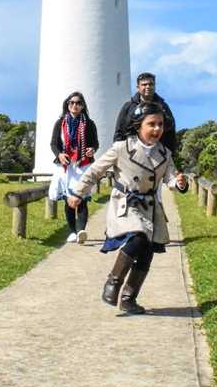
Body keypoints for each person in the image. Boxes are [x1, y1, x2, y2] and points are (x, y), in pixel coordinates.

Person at [69, 102, 188, 314]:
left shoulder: (165, 153)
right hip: (125, 203)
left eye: (160, 124)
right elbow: (95, 171)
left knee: (147, 252)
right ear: (138, 125)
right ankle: (113, 282)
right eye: (151, 124)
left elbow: (170, 177)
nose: (157, 129)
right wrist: (78, 192)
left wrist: (179, 183)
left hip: (150, 206)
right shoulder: (121, 148)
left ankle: (129, 298)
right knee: (138, 237)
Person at [48, 91, 99, 244]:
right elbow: (53, 144)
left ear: (83, 105)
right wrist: (59, 155)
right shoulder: (60, 123)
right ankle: (72, 231)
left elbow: (95, 143)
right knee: (68, 199)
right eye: (72, 103)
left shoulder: (89, 123)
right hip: (66, 165)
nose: (75, 105)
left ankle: (81, 230)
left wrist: (92, 149)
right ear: (67, 105)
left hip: (83, 164)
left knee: (81, 198)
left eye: (78, 103)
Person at [113, 72, 177, 153]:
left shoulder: (163, 106)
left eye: (151, 84)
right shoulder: (128, 107)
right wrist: (118, 152)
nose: (148, 87)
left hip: (157, 152)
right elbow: (119, 132)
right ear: (138, 87)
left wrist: (170, 153)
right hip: (132, 152)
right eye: (144, 84)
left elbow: (170, 132)